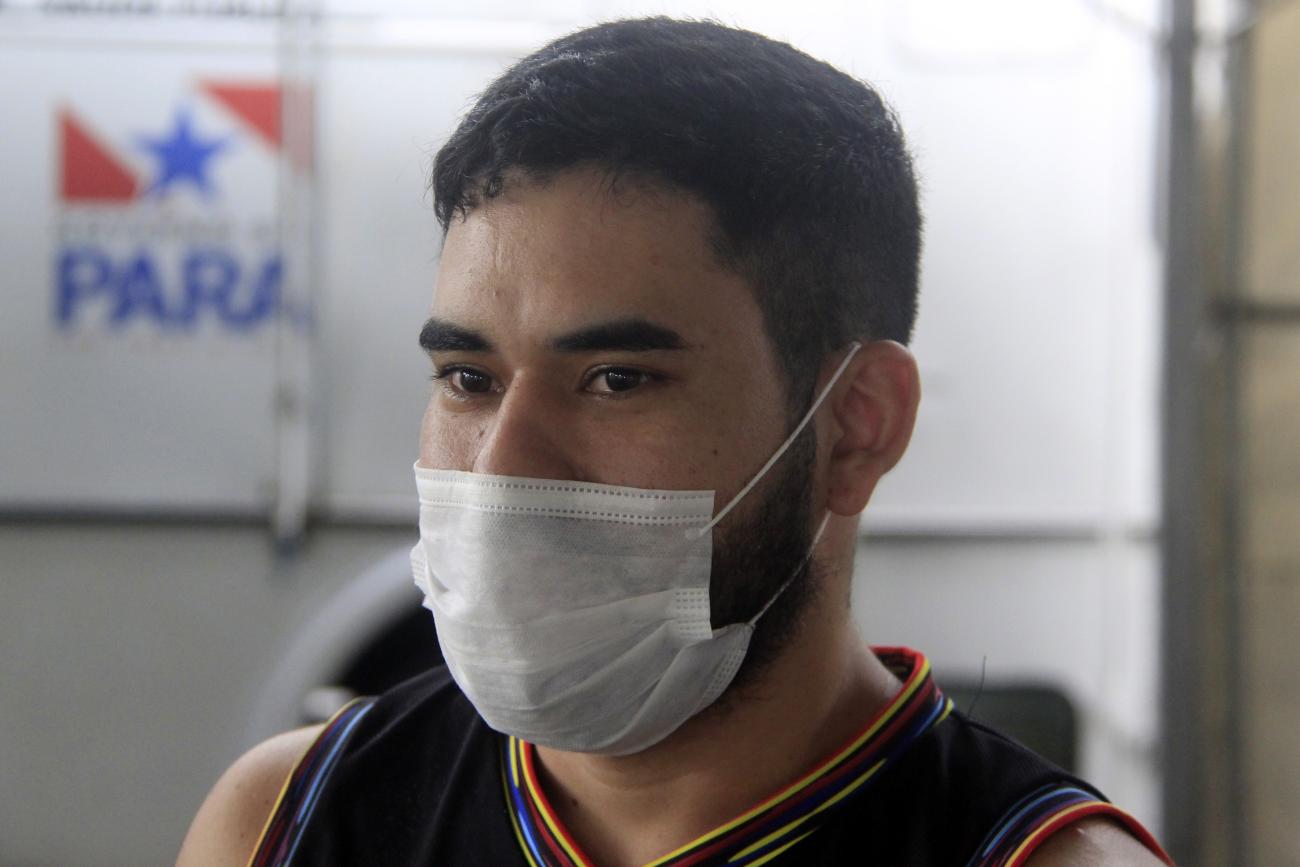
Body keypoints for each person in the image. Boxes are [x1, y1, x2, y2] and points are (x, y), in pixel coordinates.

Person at [178, 17, 1172, 867]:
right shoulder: (285, 822)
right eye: (468, 379)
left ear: (857, 425)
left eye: (617, 379)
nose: (504, 464)